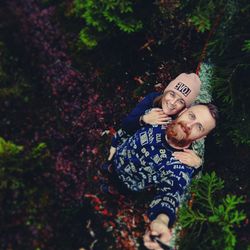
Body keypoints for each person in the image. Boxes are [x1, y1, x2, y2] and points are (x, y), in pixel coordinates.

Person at [109, 103, 218, 249]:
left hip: (127, 185)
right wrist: (115, 142)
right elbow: (129, 127)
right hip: (115, 158)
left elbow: (171, 192)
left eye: (199, 127)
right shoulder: (158, 117)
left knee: (114, 190)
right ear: (183, 111)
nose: (188, 125)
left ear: (201, 137)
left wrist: (161, 220)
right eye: (191, 116)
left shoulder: (180, 166)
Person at [105, 73, 203, 169]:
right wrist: (143, 119)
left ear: (184, 108)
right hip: (126, 147)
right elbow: (126, 124)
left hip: (142, 166)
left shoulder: (180, 122)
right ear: (166, 91)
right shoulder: (153, 99)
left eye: (181, 101)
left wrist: (197, 163)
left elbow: (183, 149)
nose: (173, 103)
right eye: (172, 94)